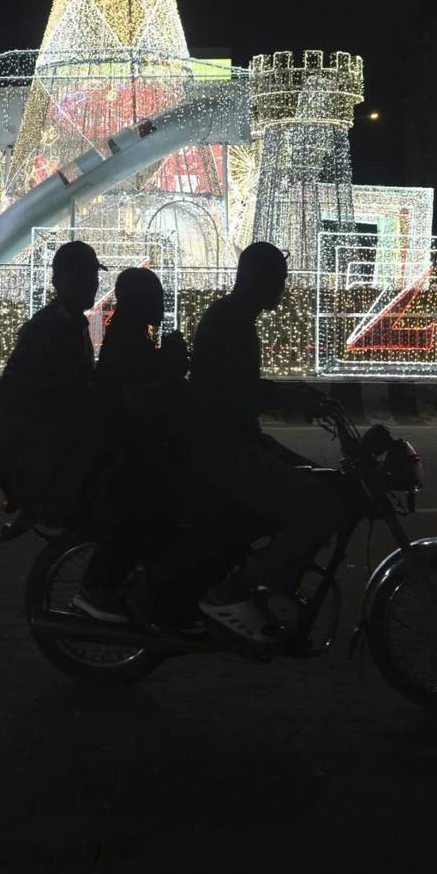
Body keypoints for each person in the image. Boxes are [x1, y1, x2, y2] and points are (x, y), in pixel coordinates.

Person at [176, 241, 349, 642]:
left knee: (316, 479)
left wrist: (294, 395)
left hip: (236, 440)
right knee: (318, 509)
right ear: (258, 279)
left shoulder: (235, 317)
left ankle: (274, 583)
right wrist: (289, 396)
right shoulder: (229, 322)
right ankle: (233, 591)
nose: (283, 289)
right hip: (222, 449)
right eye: (279, 280)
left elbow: (244, 390)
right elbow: (234, 392)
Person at [71, 266, 192, 626]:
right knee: (145, 509)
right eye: (154, 296)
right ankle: (101, 587)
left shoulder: (133, 333)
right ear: (141, 301)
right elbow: (136, 395)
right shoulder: (126, 337)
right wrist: (170, 368)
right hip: (126, 448)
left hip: (134, 441)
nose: (161, 302)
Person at [0, 241, 105, 526]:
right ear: (60, 281)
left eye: (93, 276)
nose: (92, 284)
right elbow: (39, 398)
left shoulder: (70, 324)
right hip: (46, 453)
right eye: (83, 277)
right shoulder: (47, 330)